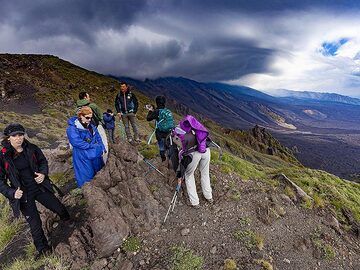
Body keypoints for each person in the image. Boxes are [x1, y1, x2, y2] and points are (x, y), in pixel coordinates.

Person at [0, 123, 70, 259]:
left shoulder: (32, 148)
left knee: (57, 206)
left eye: (21, 134)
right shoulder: (3, 157)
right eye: (15, 135)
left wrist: (43, 174)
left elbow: (43, 161)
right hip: (23, 194)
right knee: (34, 223)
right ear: (9, 138)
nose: (19, 138)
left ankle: (68, 221)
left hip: (39, 187)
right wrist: (11, 192)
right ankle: (42, 249)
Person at [173, 115, 213, 208]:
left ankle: (195, 202)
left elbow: (181, 147)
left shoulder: (180, 130)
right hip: (206, 150)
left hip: (194, 153)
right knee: (205, 173)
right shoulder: (197, 127)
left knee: (189, 175)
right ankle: (209, 196)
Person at [66, 106, 105, 187]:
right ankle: (87, 192)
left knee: (98, 172)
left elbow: (98, 136)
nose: (89, 120)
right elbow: (76, 142)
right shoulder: (72, 128)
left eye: (91, 118)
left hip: (94, 154)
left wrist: (102, 147)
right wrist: (93, 146)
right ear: (81, 116)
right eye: (87, 118)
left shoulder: (91, 126)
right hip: (81, 155)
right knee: (86, 176)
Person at [77, 91, 108, 162]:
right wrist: (103, 123)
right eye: (88, 96)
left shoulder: (77, 108)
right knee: (100, 140)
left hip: (83, 129)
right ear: (85, 97)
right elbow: (100, 115)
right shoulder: (92, 105)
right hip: (94, 126)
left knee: (89, 143)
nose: (89, 98)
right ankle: (103, 157)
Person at [146, 95, 175, 161]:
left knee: (161, 146)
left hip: (160, 133)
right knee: (168, 145)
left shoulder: (157, 111)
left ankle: (163, 159)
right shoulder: (168, 111)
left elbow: (148, 118)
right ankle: (170, 159)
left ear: (157, 102)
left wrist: (150, 110)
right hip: (169, 132)